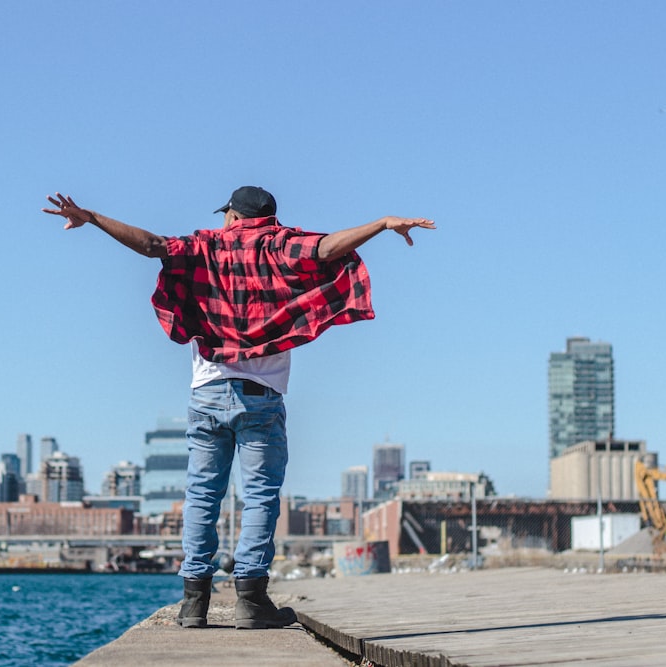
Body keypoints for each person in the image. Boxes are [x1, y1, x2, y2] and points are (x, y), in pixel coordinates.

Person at [42, 186, 434, 629]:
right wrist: (381, 225)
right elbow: (327, 248)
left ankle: (193, 602)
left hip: (207, 391)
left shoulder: (204, 245)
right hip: (260, 394)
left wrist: (92, 217)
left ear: (233, 216)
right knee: (260, 494)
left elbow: (151, 246)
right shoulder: (281, 244)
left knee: (202, 494)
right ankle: (251, 599)